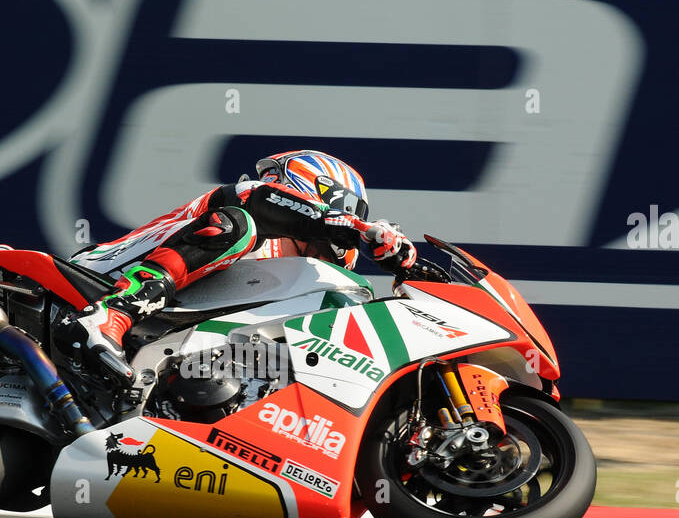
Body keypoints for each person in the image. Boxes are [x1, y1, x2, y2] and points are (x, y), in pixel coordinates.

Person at [54, 150, 417, 380]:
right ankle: (110, 315)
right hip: (89, 282)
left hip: (155, 339)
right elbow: (260, 201)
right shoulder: (255, 203)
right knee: (239, 226)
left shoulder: (289, 284)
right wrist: (358, 229)